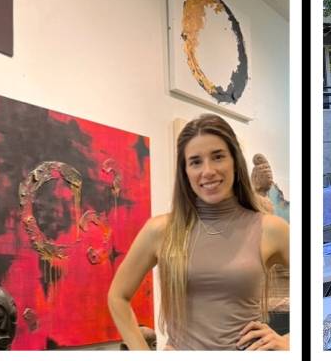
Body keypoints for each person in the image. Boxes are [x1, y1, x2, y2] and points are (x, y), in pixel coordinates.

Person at [108, 114, 290, 350]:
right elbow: (117, 297)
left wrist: (288, 341)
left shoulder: (270, 229)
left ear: (234, 161)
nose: (208, 171)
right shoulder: (160, 230)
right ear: (185, 171)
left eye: (218, 157)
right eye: (195, 161)